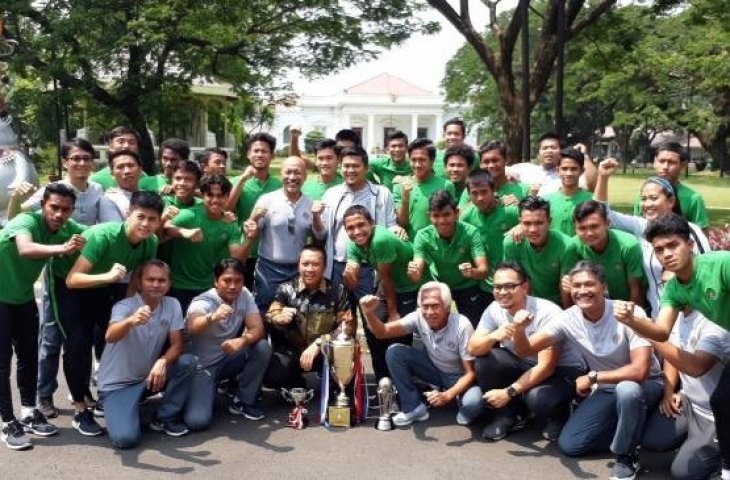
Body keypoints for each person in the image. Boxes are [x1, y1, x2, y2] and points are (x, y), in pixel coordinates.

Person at [511, 261, 663, 480]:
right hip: (606, 389)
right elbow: (525, 349)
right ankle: (632, 428)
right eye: (577, 286)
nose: (582, 291)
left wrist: (593, 377)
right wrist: (519, 329)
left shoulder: (628, 311)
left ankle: (626, 457)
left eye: (589, 284)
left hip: (645, 385)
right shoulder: (567, 318)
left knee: (627, 391)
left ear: (603, 286)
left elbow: (640, 371)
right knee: (570, 445)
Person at [617, 215, 730, 480]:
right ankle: (726, 468)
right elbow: (661, 332)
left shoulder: (721, 263)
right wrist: (634, 321)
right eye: (658, 249)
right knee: (723, 400)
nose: (666, 254)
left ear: (690, 244)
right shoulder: (675, 289)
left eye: (673, 245)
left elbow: (695, 365)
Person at [10, 139, 104, 418]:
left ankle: (82, 391)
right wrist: (16, 198)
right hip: (57, 273)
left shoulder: (98, 189)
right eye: (75, 158)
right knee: (51, 337)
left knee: (81, 339)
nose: (81, 163)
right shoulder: (48, 192)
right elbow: (17, 219)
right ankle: (44, 394)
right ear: (65, 162)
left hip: (86, 274)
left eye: (87, 158)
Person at [59, 191, 162, 436]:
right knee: (77, 345)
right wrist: (107, 276)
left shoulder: (151, 242)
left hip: (107, 285)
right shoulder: (103, 236)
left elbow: (136, 278)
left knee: (112, 339)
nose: (146, 224)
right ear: (128, 214)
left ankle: (108, 396)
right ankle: (80, 408)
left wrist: (127, 311)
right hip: (70, 283)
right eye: (140, 217)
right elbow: (73, 279)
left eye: (152, 219)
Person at [0, 183, 85, 450]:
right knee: (2, 364)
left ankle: (28, 412)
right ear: (43, 206)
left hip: (23, 298)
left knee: (28, 357)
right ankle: (6, 421)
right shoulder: (26, 221)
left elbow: (92, 234)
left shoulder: (64, 229)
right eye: (54, 208)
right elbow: (25, 249)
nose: (59, 214)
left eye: (66, 210)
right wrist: (62, 249)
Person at [468, 262, 586, 442]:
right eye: (497, 287)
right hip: (525, 362)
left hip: (563, 370)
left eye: (509, 286)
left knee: (538, 399)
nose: (501, 292)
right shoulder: (494, 309)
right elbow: (473, 347)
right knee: (485, 360)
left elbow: (547, 367)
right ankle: (511, 415)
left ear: (524, 287)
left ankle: (561, 413)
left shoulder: (547, 312)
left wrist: (508, 392)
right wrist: (494, 336)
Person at [97, 260, 195, 449]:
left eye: (161, 280)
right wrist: (131, 321)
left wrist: (162, 361)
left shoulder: (172, 304)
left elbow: (177, 345)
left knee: (188, 362)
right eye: (150, 279)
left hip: (147, 377)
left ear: (169, 283)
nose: (156, 284)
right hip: (117, 385)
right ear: (140, 282)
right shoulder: (124, 306)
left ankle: (163, 418)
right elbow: (110, 336)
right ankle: (119, 407)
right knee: (126, 439)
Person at [594, 158, 710, 314]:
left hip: (693, 316)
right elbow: (603, 213)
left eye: (653, 198)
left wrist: (679, 275)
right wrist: (603, 177)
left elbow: (708, 270)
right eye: (643, 199)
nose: (647, 204)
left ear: (671, 201)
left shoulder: (690, 230)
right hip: (658, 317)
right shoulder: (642, 226)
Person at [359, 282, 483, 428]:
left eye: (435, 306)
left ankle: (457, 400)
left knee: (473, 404)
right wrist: (368, 312)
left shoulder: (462, 325)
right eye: (425, 306)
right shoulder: (418, 317)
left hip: (459, 377)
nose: (429, 312)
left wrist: (448, 395)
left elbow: (470, 373)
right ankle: (414, 407)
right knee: (395, 352)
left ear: (448, 308)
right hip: (434, 370)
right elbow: (382, 332)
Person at [183, 258, 272, 428]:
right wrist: (213, 317)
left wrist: (242, 339)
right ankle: (203, 390)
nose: (233, 286)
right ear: (216, 282)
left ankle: (243, 401)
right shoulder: (203, 301)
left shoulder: (244, 294)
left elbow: (257, 328)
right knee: (197, 421)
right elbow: (192, 326)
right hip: (202, 368)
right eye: (227, 281)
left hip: (227, 358)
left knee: (262, 347)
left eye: (238, 281)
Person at [641, 309, 728, 479]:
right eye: (663, 286)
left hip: (716, 416)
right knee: (652, 441)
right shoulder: (673, 315)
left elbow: (696, 367)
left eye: (674, 285)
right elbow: (672, 354)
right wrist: (669, 392)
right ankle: (693, 442)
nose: (668, 291)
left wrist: (647, 332)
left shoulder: (715, 321)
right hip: (688, 401)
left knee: (683, 472)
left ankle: (721, 458)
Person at [343, 205, 419, 380]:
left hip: (408, 285)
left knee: (400, 330)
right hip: (389, 285)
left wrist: (393, 314)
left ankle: (404, 382)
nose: (357, 231)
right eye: (351, 228)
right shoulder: (354, 244)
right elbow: (352, 277)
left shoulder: (380, 240)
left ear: (372, 223)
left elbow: (387, 279)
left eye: (361, 225)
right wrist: (350, 273)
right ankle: (383, 381)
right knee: (373, 324)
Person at [265, 246, 354, 388]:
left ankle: (335, 389)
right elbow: (270, 314)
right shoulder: (285, 289)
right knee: (273, 376)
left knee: (346, 367)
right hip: (293, 353)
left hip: (325, 352)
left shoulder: (338, 291)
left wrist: (321, 342)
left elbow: (347, 327)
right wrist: (278, 317)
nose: (310, 269)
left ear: (324, 267)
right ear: (298, 265)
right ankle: (296, 385)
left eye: (315, 264)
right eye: (305, 264)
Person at [244, 157, 326, 311]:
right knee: (264, 310)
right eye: (288, 172)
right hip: (269, 269)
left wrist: (316, 216)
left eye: (298, 173)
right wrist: (252, 221)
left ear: (305, 176)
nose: (292, 177)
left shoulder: (310, 203)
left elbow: (320, 237)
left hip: (298, 270)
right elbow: (252, 231)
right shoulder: (267, 200)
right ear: (281, 174)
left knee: (296, 312)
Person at [318, 145, 401, 294]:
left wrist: (397, 230)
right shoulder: (331, 194)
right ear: (340, 167)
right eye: (346, 166)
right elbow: (322, 234)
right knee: (343, 315)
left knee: (371, 313)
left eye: (355, 166)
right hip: (339, 265)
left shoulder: (382, 193)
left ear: (366, 168)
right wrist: (315, 217)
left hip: (369, 268)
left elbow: (390, 225)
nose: (350, 170)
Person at [163, 174, 247, 313]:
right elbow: (165, 227)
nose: (215, 200)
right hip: (181, 286)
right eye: (210, 195)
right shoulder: (190, 215)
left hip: (211, 288)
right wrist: (183, 232)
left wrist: (249, 238)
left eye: (220, 196)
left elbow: (236, 257)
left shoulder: (230, 223)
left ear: (227, 196)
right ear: (202, 195)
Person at [409, 191, 488, 326]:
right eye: (436, 216)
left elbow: (483, 270)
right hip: (439, 286)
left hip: (466, 284)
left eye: (446, 215)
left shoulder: (470, 232)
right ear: (429, 216)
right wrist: (414, 272)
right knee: (436, 327)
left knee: (473, 325)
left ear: (456, 213)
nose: (442, 221)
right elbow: (417, 271)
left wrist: (473, 272)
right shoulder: (423, 236)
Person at [561, 200, 646, 307]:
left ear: (607, 224)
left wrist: (633, 318)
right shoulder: (572, 247)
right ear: (575, 229)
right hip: (592, 306)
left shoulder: (628, 245)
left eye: (594, 226)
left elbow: (636, 288)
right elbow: (567, 284)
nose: (589, 233)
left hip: (625, 304)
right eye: (582, 228)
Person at [226, 133, 282, 289]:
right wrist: (243, 180)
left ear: (272, 155)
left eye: (264, 151)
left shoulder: (279, 185)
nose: (259, 154)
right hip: (244, 250)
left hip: (271, 253)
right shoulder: (236, 182)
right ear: (248, 154)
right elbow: (225, 211)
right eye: (255, 151)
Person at [459, 170, 519, 302]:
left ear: (494, 190)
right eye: (474, 193)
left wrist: (522, 227)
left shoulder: (510, 211)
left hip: (513, 283)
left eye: (484, 192)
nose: (480, 198)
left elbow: (533, 224)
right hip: (484, 285)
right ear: (468, 195)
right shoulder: (467, 217)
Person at [503, 196, 571, 306]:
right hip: (528, 303)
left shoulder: (566, 245)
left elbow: (565, 287)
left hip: (559, 305)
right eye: (527, 223)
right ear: (520, 222)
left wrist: (567, 316)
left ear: (549, 222)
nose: (533, 229)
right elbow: (516, 282)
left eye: (539, 223)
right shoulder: (511, 244)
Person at [632, 141, 709, 230]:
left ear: (683, 165)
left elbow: (702, 235)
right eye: (661, 161)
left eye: (671, 162)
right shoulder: (641, 196)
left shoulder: (693, 198)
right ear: (654, 163)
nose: (665, 167)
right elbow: (636, 227)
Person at [393, 138, 455, 240]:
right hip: (410, 244)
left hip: (437, 245)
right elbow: (402, 223)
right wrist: (405, 198)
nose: (417, 165)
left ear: (432, 160)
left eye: (422, 160)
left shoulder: (446, 185)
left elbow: (450, 222)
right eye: (413, 160)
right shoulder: (400, 185)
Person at [544, 148, 593, 236]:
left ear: (582, 171)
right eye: (564, 169)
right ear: (557, 171)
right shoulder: (545, 200)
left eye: (574, 169)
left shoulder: (592, 200)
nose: (569, 173)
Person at [98, 149, 144, 222]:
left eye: (131, 165)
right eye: (120, 167)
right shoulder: (109, 199)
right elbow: (116, 230)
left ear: (140, 169)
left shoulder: (149, 197)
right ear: (112, 174)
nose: (127, 171)